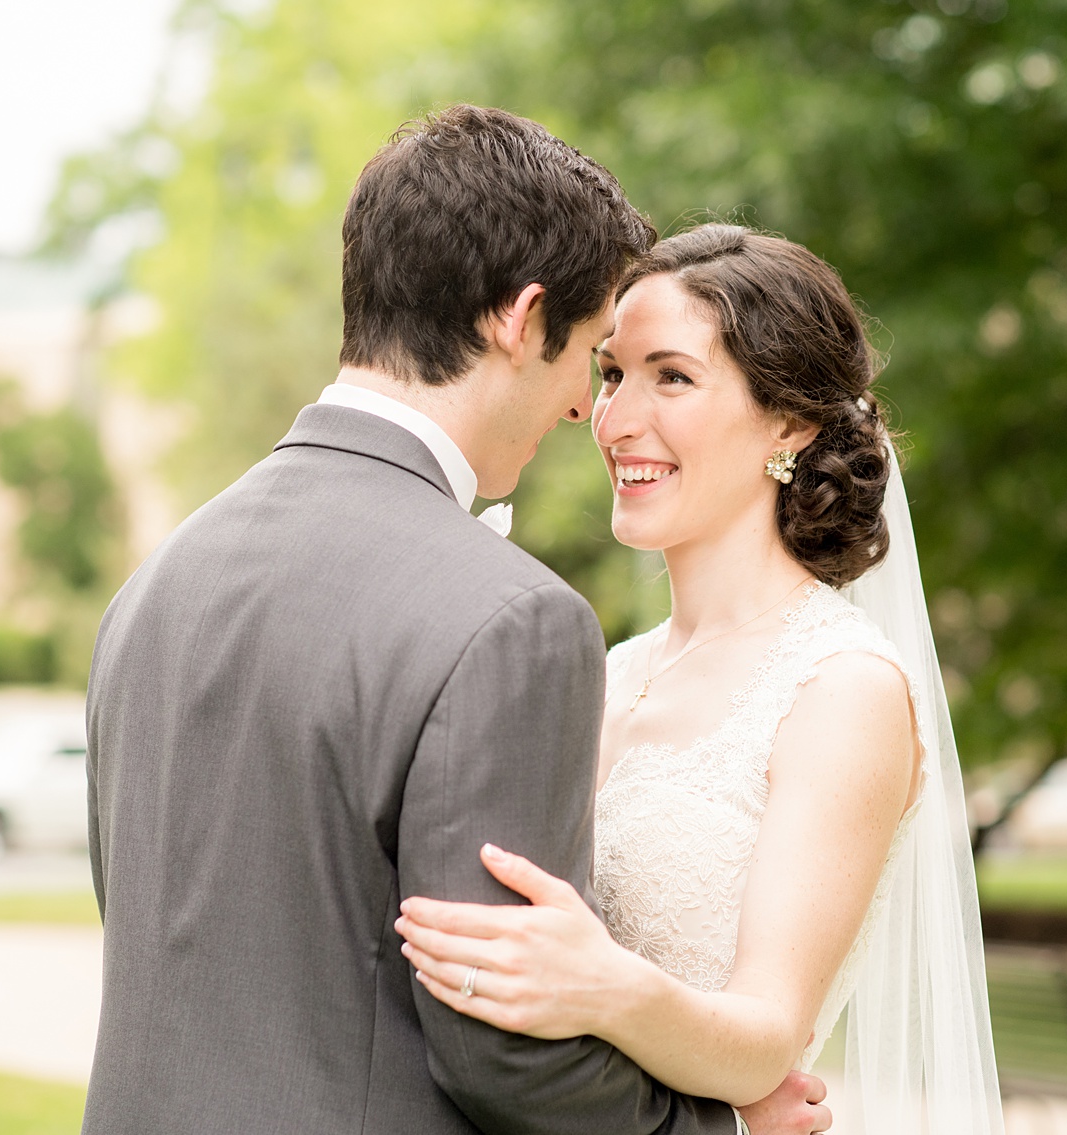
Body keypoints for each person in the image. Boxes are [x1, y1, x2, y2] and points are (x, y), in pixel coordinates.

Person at [84, 107, 827, 1135]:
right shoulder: (510, 621)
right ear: (519, 321)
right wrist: (722, 1127)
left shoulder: (159, 581)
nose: (585, 410)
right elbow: (499, 1051)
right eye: (593, 357)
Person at [396, 225, 1007, 1133]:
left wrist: (603, 986)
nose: (615, 419)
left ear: (791, 424)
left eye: (671, 376)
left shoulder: (842, 689)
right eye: (610, 374)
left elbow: (765, 1034)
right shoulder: (606, 669)